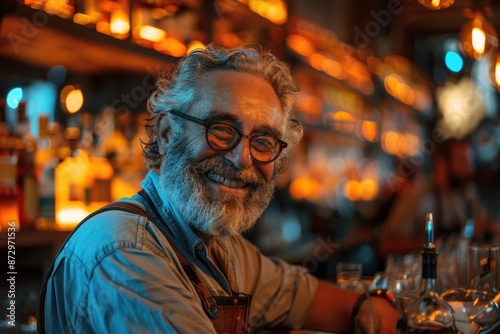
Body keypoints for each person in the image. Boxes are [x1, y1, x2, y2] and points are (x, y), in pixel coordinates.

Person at [38, 45, 399, 333]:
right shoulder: (125, 252)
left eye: (263, 141)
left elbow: (310, 299)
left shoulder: (221, 249)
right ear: (166, 134)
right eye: (221, 129)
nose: (242, 159)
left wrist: (368, 304)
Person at [378, 137, 499, 258]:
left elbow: (482, 221)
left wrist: (488, 225)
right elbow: (386, 245)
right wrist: (429, 245)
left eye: (470, 162)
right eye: (462, 161)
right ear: (441, 163)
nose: (470, 169)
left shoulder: (467, 191)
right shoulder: (418, 197)